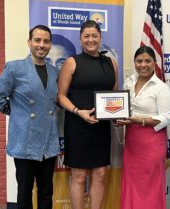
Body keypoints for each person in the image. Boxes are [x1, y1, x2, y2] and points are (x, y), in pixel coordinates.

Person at [0, 25, 60, 209]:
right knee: (24, 194)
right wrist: (18, 113)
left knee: (46, 193)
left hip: (48, 143)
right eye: (37, 40)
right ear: (29, 42)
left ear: (50, 44)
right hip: (24, 141)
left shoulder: (54, 72)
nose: (41, 45)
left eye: (46, 41)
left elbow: (54, 102)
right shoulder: (15, 68)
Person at [57, 20, 118, 209]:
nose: (91, 40)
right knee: (79, 175)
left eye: (95, 36)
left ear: (100, 38)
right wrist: (78, 112)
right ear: (80, 39)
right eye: (86, 36)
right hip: (78, 126)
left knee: (100, 174)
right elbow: (61, 96)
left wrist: (117, 113)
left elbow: (114, 95)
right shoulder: (72, 62)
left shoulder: (111, 63)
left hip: (101, 127)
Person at [118, 46, 170, 209]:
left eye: (148, 61)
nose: (143, 65)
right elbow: (124, 108)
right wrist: (120, 118)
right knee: (131, 184)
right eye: (139, 61)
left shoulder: (161, 87)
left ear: (154, 63)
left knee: (149, 185)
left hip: (152, 143)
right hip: (132, 142)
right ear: (134, 63)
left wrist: (139, 120)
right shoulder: (128, 81)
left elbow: (166, 117)